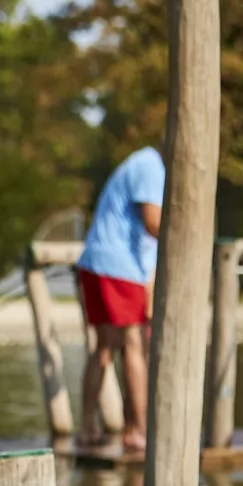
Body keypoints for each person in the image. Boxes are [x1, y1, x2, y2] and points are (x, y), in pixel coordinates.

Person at [75, 146, 165, 450]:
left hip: (96, 261)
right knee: (134, 344)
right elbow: (155, 223)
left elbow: (147, 245)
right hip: (118, 267)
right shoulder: (152, 166)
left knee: (104, 347)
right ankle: (139, 431)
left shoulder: (140, 163)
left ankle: (87, 427)